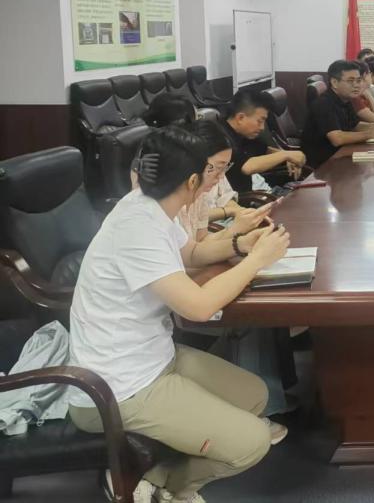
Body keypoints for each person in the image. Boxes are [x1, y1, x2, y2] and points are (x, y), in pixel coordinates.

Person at [68, 126, 292, 503]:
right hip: (118, 387)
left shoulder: (151, 205)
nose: (214, 179)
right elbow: (198, 307)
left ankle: (150, 473)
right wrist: (256, 261)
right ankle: (160, 485)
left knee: (255, 395)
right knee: (253, 442)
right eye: (210, 172)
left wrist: (240, 244)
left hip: (155, 359)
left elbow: (190, 255)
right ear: (191, 181)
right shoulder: (137, 226)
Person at [139, 94, 267, 233]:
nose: (199, 124)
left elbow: (225, 194)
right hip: (212, 229)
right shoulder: (169, 170)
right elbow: (188, 225)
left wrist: (241, 213)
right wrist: (229, 215)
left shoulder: (209, 155)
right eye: (197, 118)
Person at [301, 59, 374, 167]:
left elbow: (355, 125)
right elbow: (337, 138)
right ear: (334, 82)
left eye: (358, 80)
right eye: (350, 81)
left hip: (340, 153)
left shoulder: (346, 99)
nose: (356, 85)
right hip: (323, 163)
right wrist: (371, 134)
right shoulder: (324, 103)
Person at [221, 90, 306, 193]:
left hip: (259, 191)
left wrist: (288, 157)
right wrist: (286, 155)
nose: (262, 127)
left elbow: (265, 150)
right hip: (244, 199)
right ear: (240, 118)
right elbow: (247, 167)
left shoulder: (242, 133)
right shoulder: (221, 138)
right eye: (260, 121)